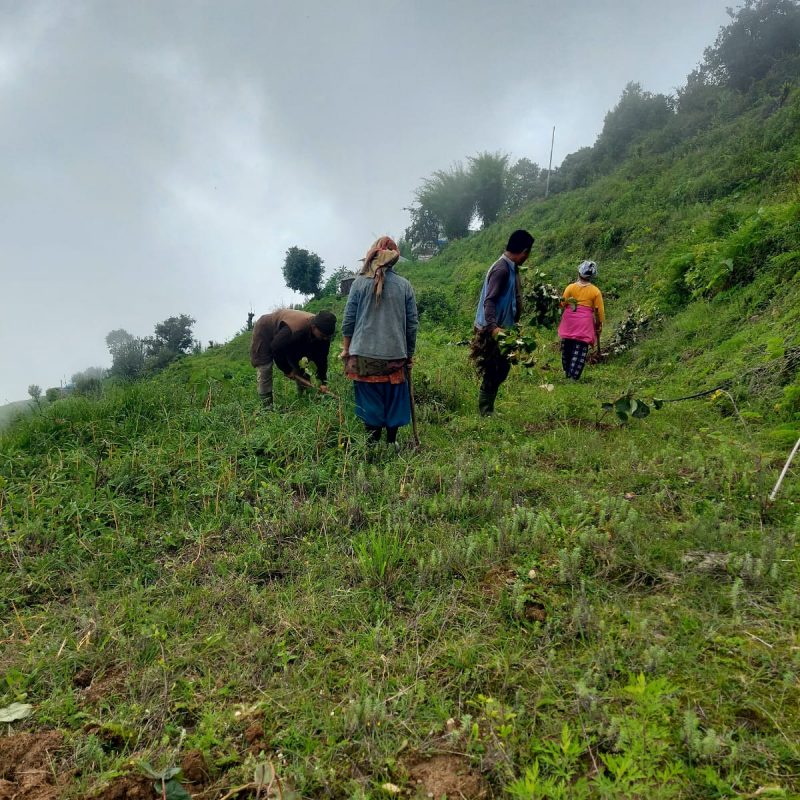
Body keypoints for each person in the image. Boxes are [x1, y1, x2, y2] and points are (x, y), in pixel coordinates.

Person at [340, 236, 418, 448]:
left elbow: (348, 322)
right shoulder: (405, 286)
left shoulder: (358, 284)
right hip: (394, 356)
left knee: (370, 400)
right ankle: (391, 443)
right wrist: (409, 354)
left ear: (373, 255)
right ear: (395, 258)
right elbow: (412, 325)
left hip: (363, 357)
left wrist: (347, 350)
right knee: (394, 398)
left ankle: (373, 444)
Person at [471, 229, 535, 416]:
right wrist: (493, 328)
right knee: (494, 369)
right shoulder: (502, 269)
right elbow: (489, 301)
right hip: (493, 329)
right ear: (523, 251)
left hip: (504, 328)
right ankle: (485, 411)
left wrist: (513, 322)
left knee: (502, 368)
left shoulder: (511, 268)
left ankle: (488, 408)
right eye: (528, 253)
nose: (527, 257)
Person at [249, 309, 336, 407]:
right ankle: (266, 407)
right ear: (313, 327)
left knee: (302, 364)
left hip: (288, 338)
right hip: (265, 330)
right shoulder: (296, 329)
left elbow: (322, 359)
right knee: (265, 367)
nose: (325, 339)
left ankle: (304, 399)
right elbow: (276, 348)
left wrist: (322, 381)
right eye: (323, 336)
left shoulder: (324, 334)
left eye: (327, 337)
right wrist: (287, 370)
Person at [557, 260, 604, 380]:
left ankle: (567, 373)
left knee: (567, 348)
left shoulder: (570, 288)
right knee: (580, 351)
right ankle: (573, 377)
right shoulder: (595, 291)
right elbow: (599, 312)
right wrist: (598, 325)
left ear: (579, 273)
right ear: (592, 276)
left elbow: (562, 304)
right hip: (584, 324)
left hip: (569, 322)